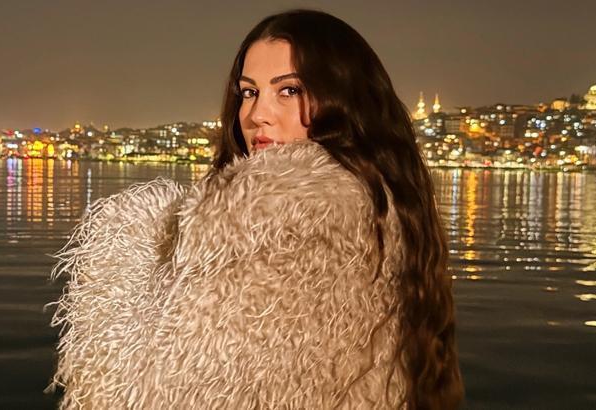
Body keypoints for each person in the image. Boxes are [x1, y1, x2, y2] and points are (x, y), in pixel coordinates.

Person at [49, 8, 463, 409]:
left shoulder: (282, 219)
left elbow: (141, 395)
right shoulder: (382, 208)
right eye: (249, 92)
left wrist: (120, 243)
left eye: (290, 90)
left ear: (344, 100)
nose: (257, 114)